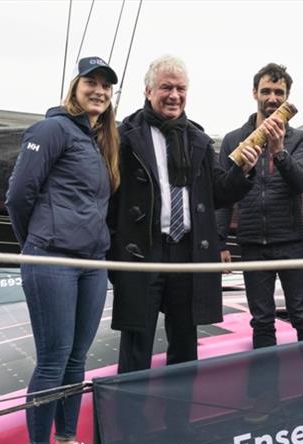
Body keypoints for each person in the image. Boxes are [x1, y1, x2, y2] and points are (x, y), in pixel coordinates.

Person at [107, 56, 260, 418]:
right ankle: (129, 431)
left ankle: (179, 426)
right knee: (136, 345)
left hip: (187, 253)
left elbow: (218, 192)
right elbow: (109, 197)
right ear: (148, 91)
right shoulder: (125, 136)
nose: (174, 95)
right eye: (166, 88)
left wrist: (243, 171)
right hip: (143, 252)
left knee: (184, 348)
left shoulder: (198, 139)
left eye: (180, 89)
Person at [5, 56, 120, 444]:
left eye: (106, 87)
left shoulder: (98, 139)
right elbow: (18, 194)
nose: (99, 91)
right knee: (53, 358)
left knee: (77, 357)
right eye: (91, 83)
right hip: (51, 257)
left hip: (92, 263)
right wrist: (35, 242)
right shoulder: (52, 130)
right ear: (75, 87)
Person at [215, 63, 303, 416]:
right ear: (255, 93)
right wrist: (220, 242)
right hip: (251, 241)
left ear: (287, 98)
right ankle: (265, 395)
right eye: (266, 91)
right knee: (261, 320)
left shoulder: (300, 140)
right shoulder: (234, 139)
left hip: (290, 239)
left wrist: (279, 151)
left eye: (279, 93)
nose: (272, 98)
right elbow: (222, 195)